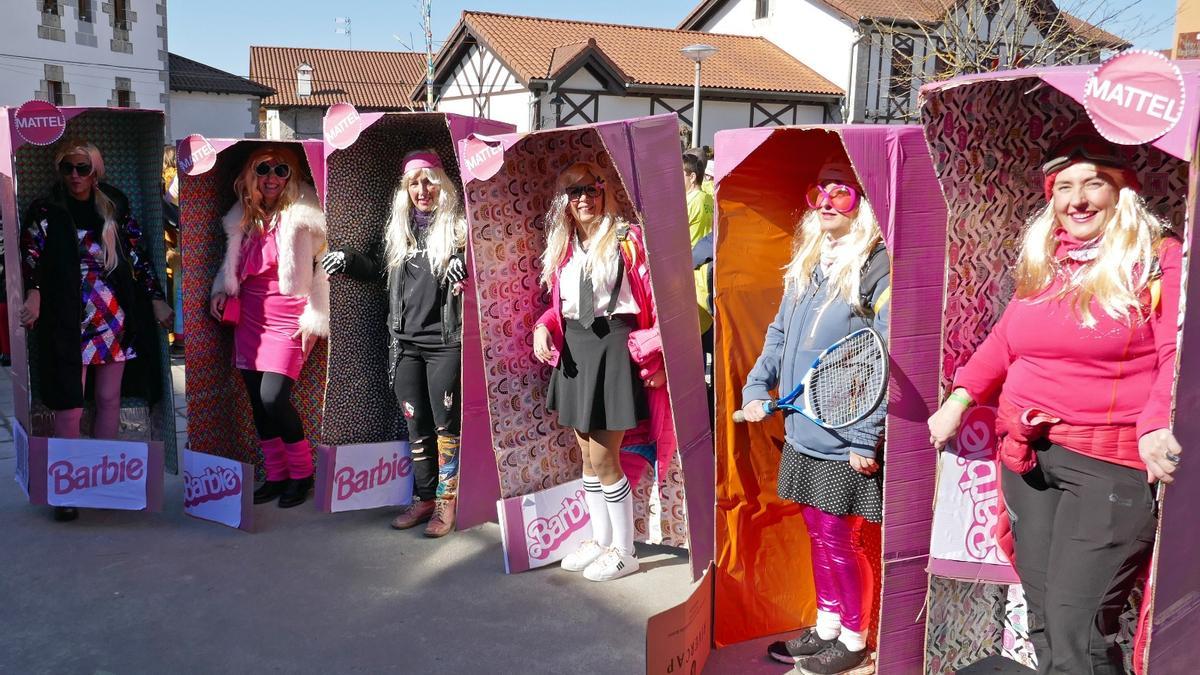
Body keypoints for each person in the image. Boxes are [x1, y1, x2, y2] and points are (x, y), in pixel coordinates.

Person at [927, 127, 1182, 674]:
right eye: (1064, 186)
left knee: (1078, 628)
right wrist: (960, 397)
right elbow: (1004, 340)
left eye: (1094, 183)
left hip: (1107, 465)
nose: (1078, 199)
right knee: (1043, 614)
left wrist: (1158, 424)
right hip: (1028, 459)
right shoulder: (1047, 260)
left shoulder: (1159, 260)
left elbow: (1176, 353)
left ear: (1122, 192)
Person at [740, 159, 890, 674]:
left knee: (836, 535)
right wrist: (758, 385)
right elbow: (780, 334)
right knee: (817, 530)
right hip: (803, 428)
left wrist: (865, 436)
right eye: (818, 192)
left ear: (864, 203)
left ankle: (854, 640)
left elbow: (884, 354)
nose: (826, 203)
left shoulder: (877, 265)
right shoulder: (810, 260)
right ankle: (828, 627)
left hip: (845, 434)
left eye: (840, 194)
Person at [20, 139, 173, 522]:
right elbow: (31, 257)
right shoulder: (45, 209)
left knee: (109, 399)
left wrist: (155, 298)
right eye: (68, 168)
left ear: (96, 170)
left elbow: (137, 257)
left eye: (82, 168)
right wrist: (34, 294)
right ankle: (66, 487)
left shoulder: (114, 205)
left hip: (112, 313)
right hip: (66, 315)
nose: (75, 176)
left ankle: (105, 478)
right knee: (68, 402)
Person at [321, 149, 467, 537]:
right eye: (414, 183)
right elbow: (374, 267)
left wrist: (465, 262)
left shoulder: (458, 229)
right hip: (404, 344)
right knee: (415, 424)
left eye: (429, 181)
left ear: (441, 184)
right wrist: (346, 259)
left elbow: (483, 269)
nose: (422, 190)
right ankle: (423, 498)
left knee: (445, 427)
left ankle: (445, 504)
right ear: (405, 190)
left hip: (445, 343)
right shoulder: (398, 230)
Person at [532, 161, 666, 582]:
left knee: (608, 458)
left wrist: (659, 357)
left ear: (604, 191)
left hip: (613, 347)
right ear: (565, 202)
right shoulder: (563, 246)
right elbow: (563, 307)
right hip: (576, 348)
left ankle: (624, 550)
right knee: (586, 457)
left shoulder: (628, 239)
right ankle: (600, 538)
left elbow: (658, 300)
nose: (584, 199)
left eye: (591, 189)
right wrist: (542, 327)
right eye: (575, 193)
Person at [209, 144, 328, 509]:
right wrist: (219, 289)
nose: (272, 177)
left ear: (292, 177)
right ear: (251, 175)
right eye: (264, 169)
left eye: (281, 171)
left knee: (273, 397)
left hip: (290, 313)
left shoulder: (304, 213)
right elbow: (231, 264)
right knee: (257, 403)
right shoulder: (242, 216)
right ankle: (276, 476)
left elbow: (323, 269)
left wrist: (316, 314)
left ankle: (302, 474)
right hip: (249, 314)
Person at [683, 153, 713, 248]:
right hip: (705, 259)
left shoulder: (687, 204)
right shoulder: (710, 199)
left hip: (690, 260)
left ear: (692, 177)